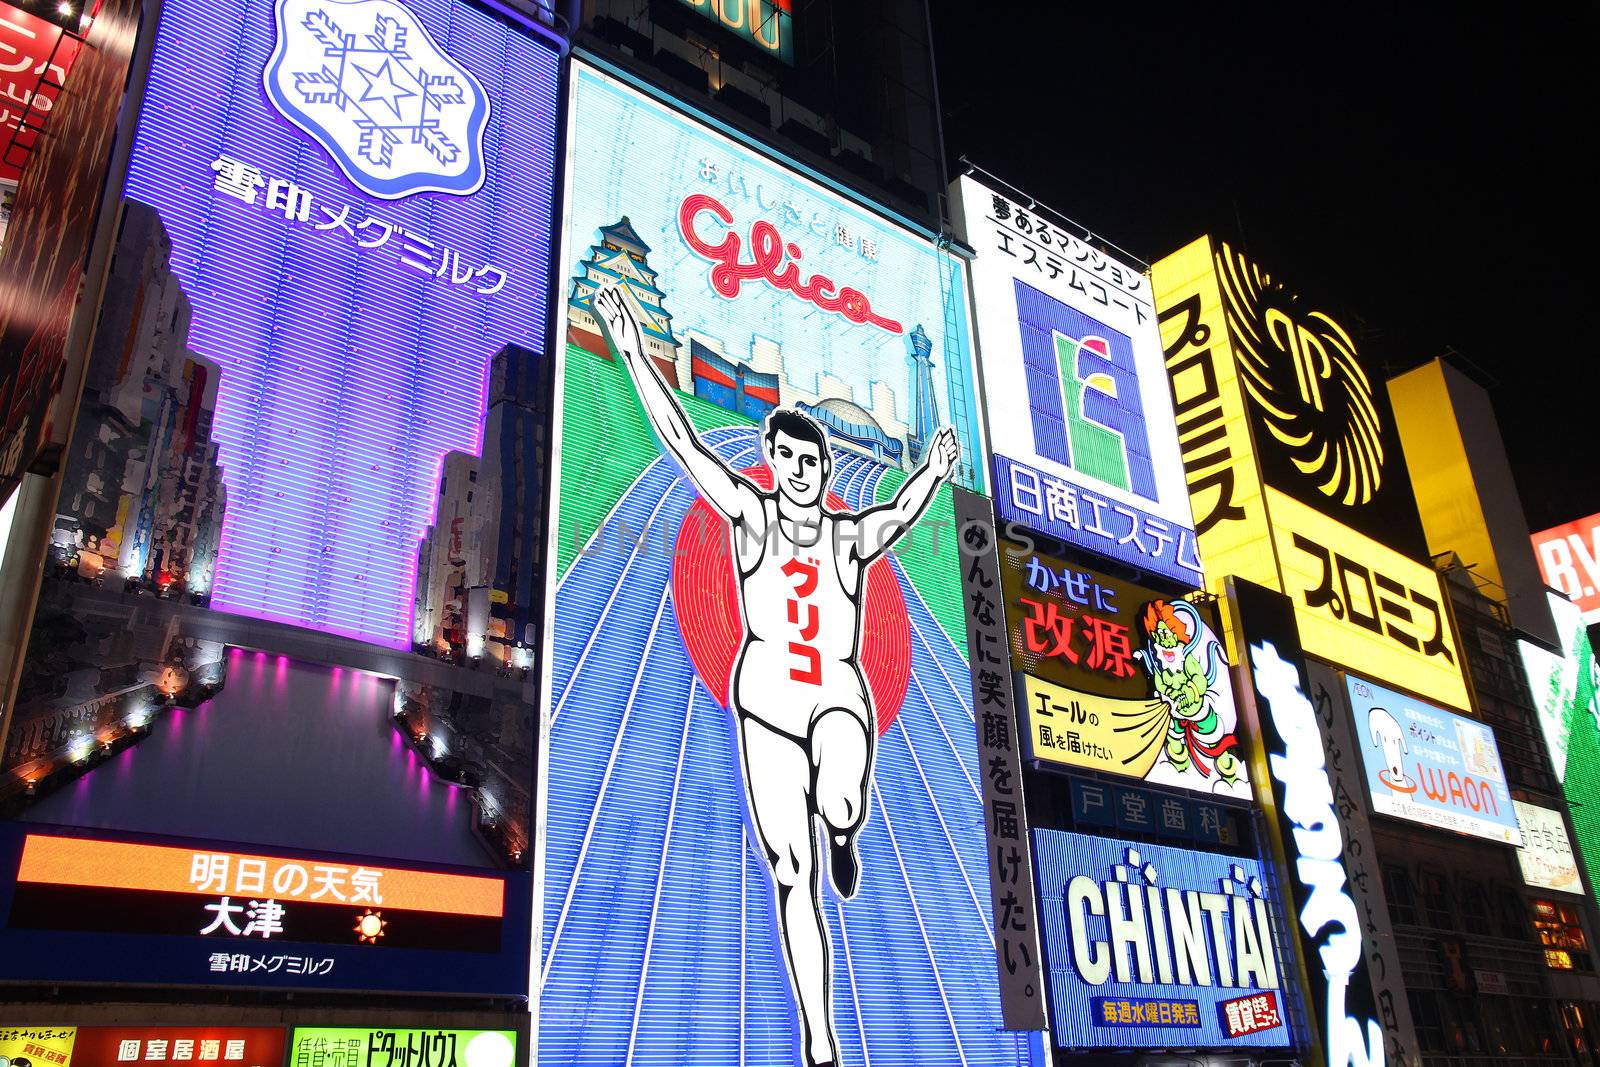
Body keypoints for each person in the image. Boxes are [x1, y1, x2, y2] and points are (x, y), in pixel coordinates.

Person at [593, 282, 958, 1067]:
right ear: (771, 461)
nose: (794, 469)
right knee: (793, 874)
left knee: (838, 793)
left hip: (834, 694)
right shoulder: (750, 517)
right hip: (764, 702)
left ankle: (846, 826)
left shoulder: (848, 536)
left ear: (825, 465)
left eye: (807, 458)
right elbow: (686, 445)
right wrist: (628, 347)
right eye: (783, 457)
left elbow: (900, 511)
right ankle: (819, 1038)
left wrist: (931, 468)